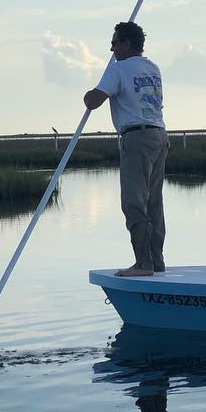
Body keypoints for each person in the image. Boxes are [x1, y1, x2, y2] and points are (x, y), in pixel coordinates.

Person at [83, 22, 168, 277]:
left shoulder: (117, 69)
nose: (112, 48)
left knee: (133, 201)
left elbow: (93, 101)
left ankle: (143, 263)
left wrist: (89, 93)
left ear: (127, 43)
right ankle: (156, 260)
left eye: (115, 42)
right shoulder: (153, 68)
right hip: (159, 136)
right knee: (154, 202)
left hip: (136, 138)